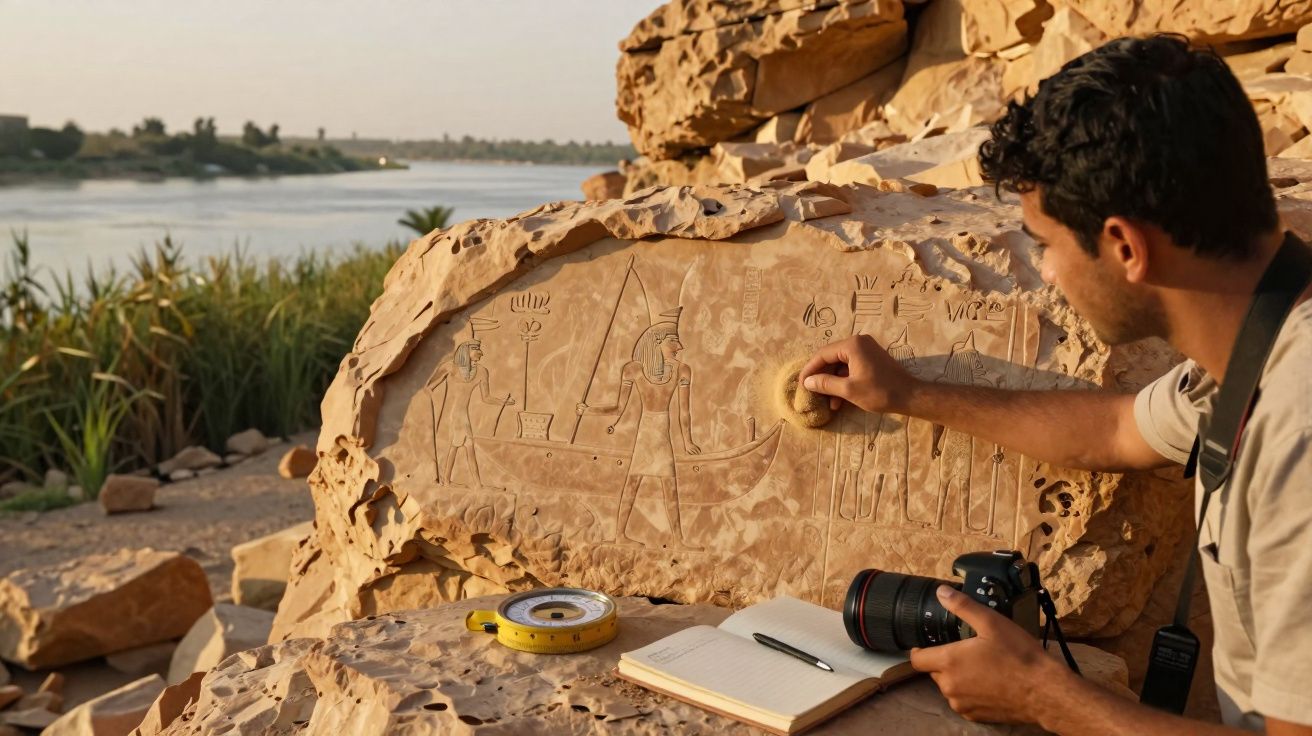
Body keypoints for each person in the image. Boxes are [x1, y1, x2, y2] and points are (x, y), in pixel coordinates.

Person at [800, 36, 1312, 735]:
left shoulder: (1299, 434)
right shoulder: (1266, 338)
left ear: (1127, 248)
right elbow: (1115, 429)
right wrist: (906, 393)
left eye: (1045, 243)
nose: (1044, 272)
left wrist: (1046, 696)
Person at [577, 315, 702, 549]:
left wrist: (688, 441)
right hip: (646, 431)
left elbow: (684, 412)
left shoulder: (682, 370)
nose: (680, 347)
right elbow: (618, 407)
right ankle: (620, 536)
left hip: (661, 432)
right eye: (673, 341)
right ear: (657, 343)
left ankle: (677, 540)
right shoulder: (633, 370)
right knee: (633, 482)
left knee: (670, 485)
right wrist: (588, 411)